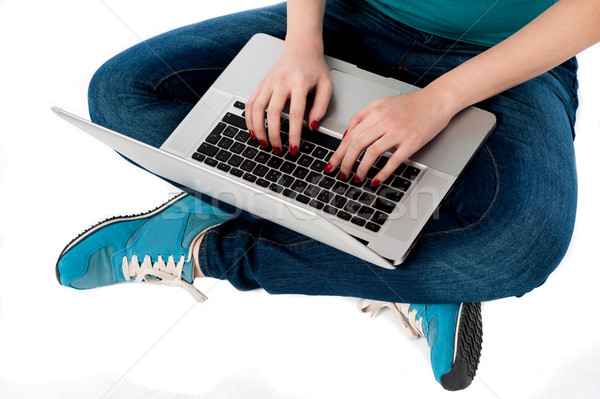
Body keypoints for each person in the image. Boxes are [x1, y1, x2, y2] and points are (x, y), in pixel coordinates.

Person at [55, 0, 599, 391]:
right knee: (123, 95)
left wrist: (440, 100)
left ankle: (205, 243)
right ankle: (411, 262)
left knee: (519, 247)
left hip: (512, 59)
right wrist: (301, 44)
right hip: (353, 16)